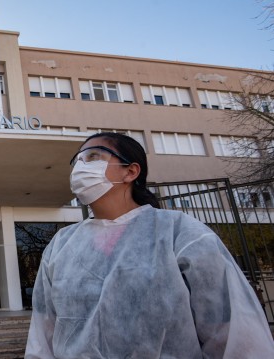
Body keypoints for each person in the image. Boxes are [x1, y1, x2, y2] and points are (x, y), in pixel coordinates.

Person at [25, 132, 274, 358]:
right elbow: (42, 337)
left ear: (131, 172)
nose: (79, 167)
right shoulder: (62, 244)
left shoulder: (180, 233)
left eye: (92, 157)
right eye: (76, 161)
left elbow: (236, 337)